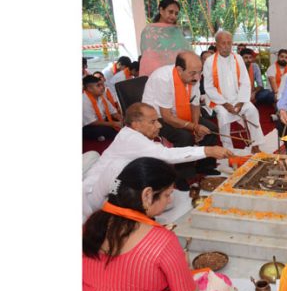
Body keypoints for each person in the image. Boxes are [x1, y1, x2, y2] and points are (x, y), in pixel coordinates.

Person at [83, 157, 236, 291]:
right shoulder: (162, 240)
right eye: (167, 194)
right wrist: (183, 267)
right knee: (219, 283)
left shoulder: (89, 225)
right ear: (147, 195)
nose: (169, 200)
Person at [83, 103, 234, 221]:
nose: (159, 126)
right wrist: (208, 151)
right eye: (153, 122)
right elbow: (167, 155)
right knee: (170, 203)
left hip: (115, 184)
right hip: (95, 199)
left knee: (170, 202)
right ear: (136, 124)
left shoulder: (135, 135)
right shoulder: (130, 138)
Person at [142, 51, 220, 190]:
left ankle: (205, 166)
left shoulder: (193, 77)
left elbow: (195, 104)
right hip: (157, 117)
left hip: (180, 112)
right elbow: (167, 117)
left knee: (212, 130)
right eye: (193, 73)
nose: (197, 77)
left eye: (199, 72)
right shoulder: (163, 78)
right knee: (184, 137)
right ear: (179, 69)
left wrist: (196, 125)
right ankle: (182, 176)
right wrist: (193, 128)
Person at [203, 32, 264, 154]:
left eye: (229, 43)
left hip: (238, 99)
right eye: (223, 43)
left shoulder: (238, 58)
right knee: (223, 115)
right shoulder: (209, 61)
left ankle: (255, 144)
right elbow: (208, 87)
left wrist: (241, 102)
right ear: (216, 44)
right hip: (219, 101)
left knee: (252, 110)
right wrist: (225, 104)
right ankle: (228, 149)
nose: (226, 46)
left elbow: (245, 82)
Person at [139, 0, 191, 77]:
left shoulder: (177, 30)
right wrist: (166, 74)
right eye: (170, 12)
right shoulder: (150, 30)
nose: (173, 16)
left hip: (179, 74)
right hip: (159, 76)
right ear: (161, 10)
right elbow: (149, 57)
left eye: (176, 13)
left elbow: (187, 51)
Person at [83, 75, 122, 141]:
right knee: (110, 131)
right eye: (98, 86)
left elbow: (112, 111)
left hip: (102, 121)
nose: (102, 87)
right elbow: (92, 122)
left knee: (125, 122)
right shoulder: (84, 101)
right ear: (89, 88)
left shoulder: (101, 96)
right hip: (88, 126)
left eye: (102, 85)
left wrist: (120, 118)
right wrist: (114, 123)